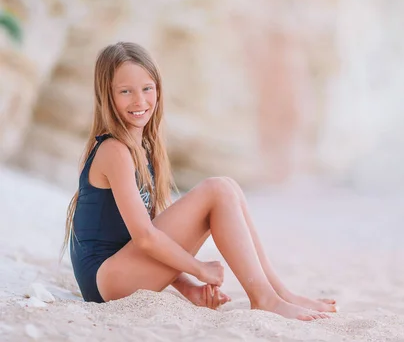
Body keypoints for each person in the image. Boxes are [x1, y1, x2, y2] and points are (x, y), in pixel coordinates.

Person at [60, 42, 337, 321]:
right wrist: (198, 269)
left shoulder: (142, 148)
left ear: (158, 89)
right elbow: (145, 238)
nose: (139, 101)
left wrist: (189, 288)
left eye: (147, 88)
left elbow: (154, 237)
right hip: (105, 279)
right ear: (107, 96)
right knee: (217, 189)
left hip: (120, 271)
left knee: (228, 187)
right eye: (125, 91)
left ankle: (278, 293)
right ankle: (264, 298)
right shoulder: (114, 150)